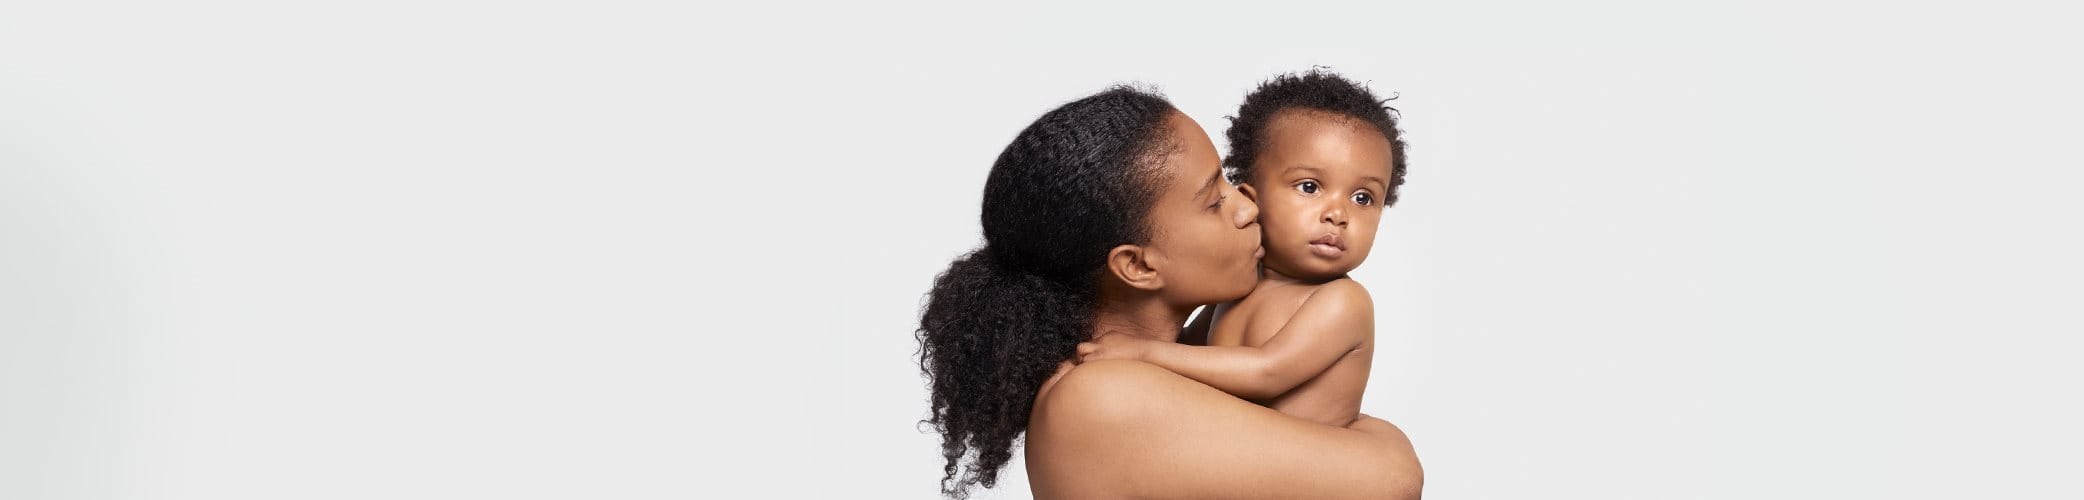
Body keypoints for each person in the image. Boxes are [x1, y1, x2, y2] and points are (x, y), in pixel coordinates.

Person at [917, 85, 1421, 499]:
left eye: (1232, 182)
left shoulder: (1162, 371)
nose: (1248, 206)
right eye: (1214, 200)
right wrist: (1381, 437)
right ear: (1137, 265)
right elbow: (1393, 477)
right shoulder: (1099, 396)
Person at [1075, 70, 1409, 428]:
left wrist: (1141, 353)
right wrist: (1112, 352)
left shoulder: (1342, 301)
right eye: (1310, 187)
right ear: (1251, 200)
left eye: (1364, 197)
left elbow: (1267, 371)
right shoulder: (1239, 287)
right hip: (1236, 464)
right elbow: (1189, 353)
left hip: (1303, 476)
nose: (1338, 214)